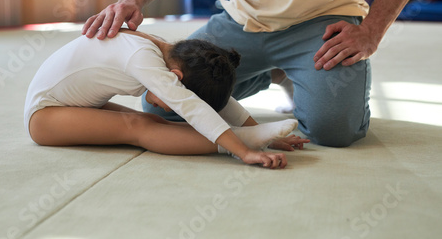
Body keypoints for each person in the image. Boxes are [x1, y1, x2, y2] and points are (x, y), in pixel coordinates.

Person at [82, 0, 439, 147]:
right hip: (244, 21)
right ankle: (277, 73)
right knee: (163, 105)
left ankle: (298, 69)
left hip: (324, 21)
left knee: (335, 131)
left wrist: (373, 29)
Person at [24, 29, 309, 169]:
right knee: (139, 127)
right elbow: (193, 107)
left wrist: (259, 130)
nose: (168, 102)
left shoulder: (172, 53)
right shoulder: (144, 59)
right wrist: (243, 150)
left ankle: (245, 136)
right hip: (45, 117)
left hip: (71, 106)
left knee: (148, 118)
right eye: (173, 95)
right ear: (175, 78)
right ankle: (240, 141)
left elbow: (218, 102)